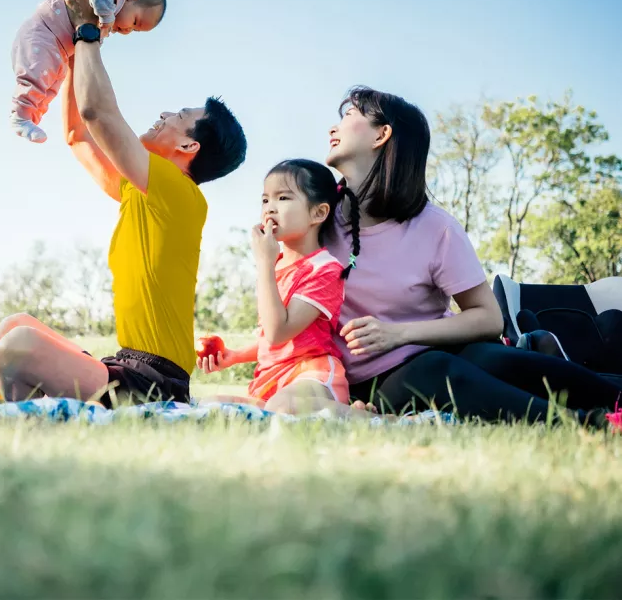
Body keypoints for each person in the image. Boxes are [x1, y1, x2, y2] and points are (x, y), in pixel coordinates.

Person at [0, 0, 244, 406]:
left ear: (188, 147)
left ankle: (11, 419)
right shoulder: (143, 191)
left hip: (156, 382)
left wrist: (88, 30)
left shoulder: (179, 193)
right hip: (125, 366)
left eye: (180, 115)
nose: (165, 113)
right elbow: (78, 135)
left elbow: (97, 113)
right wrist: (72, 47)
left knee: (19, 347)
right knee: (16, 326)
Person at [324, 85, 622, 428]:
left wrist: (398, 334)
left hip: (434, 352)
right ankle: (590, 425)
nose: (333, 128)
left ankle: (615, 397)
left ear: (382, 134)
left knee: (494, 359)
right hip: (372, 381)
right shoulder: (315, 217)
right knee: (435, 369)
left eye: (349, 116)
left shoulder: (435, 227)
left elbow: (488, 318)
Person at [197, 159, 362, 415]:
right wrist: (235, 356)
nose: (270, 208)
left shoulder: (325, 270)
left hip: (311, 374)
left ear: (318, 213)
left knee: (282, 407)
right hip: (271, 379)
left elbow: (279, 332)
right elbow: (272, 342)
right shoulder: (275, 266)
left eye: (283, 198)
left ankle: (371, 418)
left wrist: (264, 263)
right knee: (210, 406)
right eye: (265, 200)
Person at [9, 0, 165, 144]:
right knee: (36, 76)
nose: (127, 31)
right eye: (134, 22)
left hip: (60, 49)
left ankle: (32, 117)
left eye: (134, 31)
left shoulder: (111, 8)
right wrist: (106, 18)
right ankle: (20, 116)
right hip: (43, 32)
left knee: (52, 84)